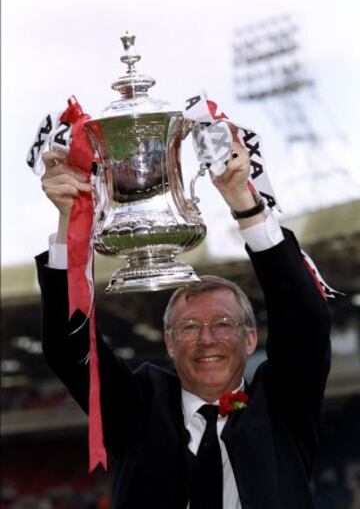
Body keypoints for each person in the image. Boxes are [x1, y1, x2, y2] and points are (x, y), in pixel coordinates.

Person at [36, 142, 332, 509]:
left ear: (250, 338)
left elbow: (305, 321)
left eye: (223, 324)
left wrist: (242, 200)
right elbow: (69, 346)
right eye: (189, 327)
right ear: (170, 343)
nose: (207, 339)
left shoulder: (282, 408)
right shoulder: (138, 407)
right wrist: (70, 220)